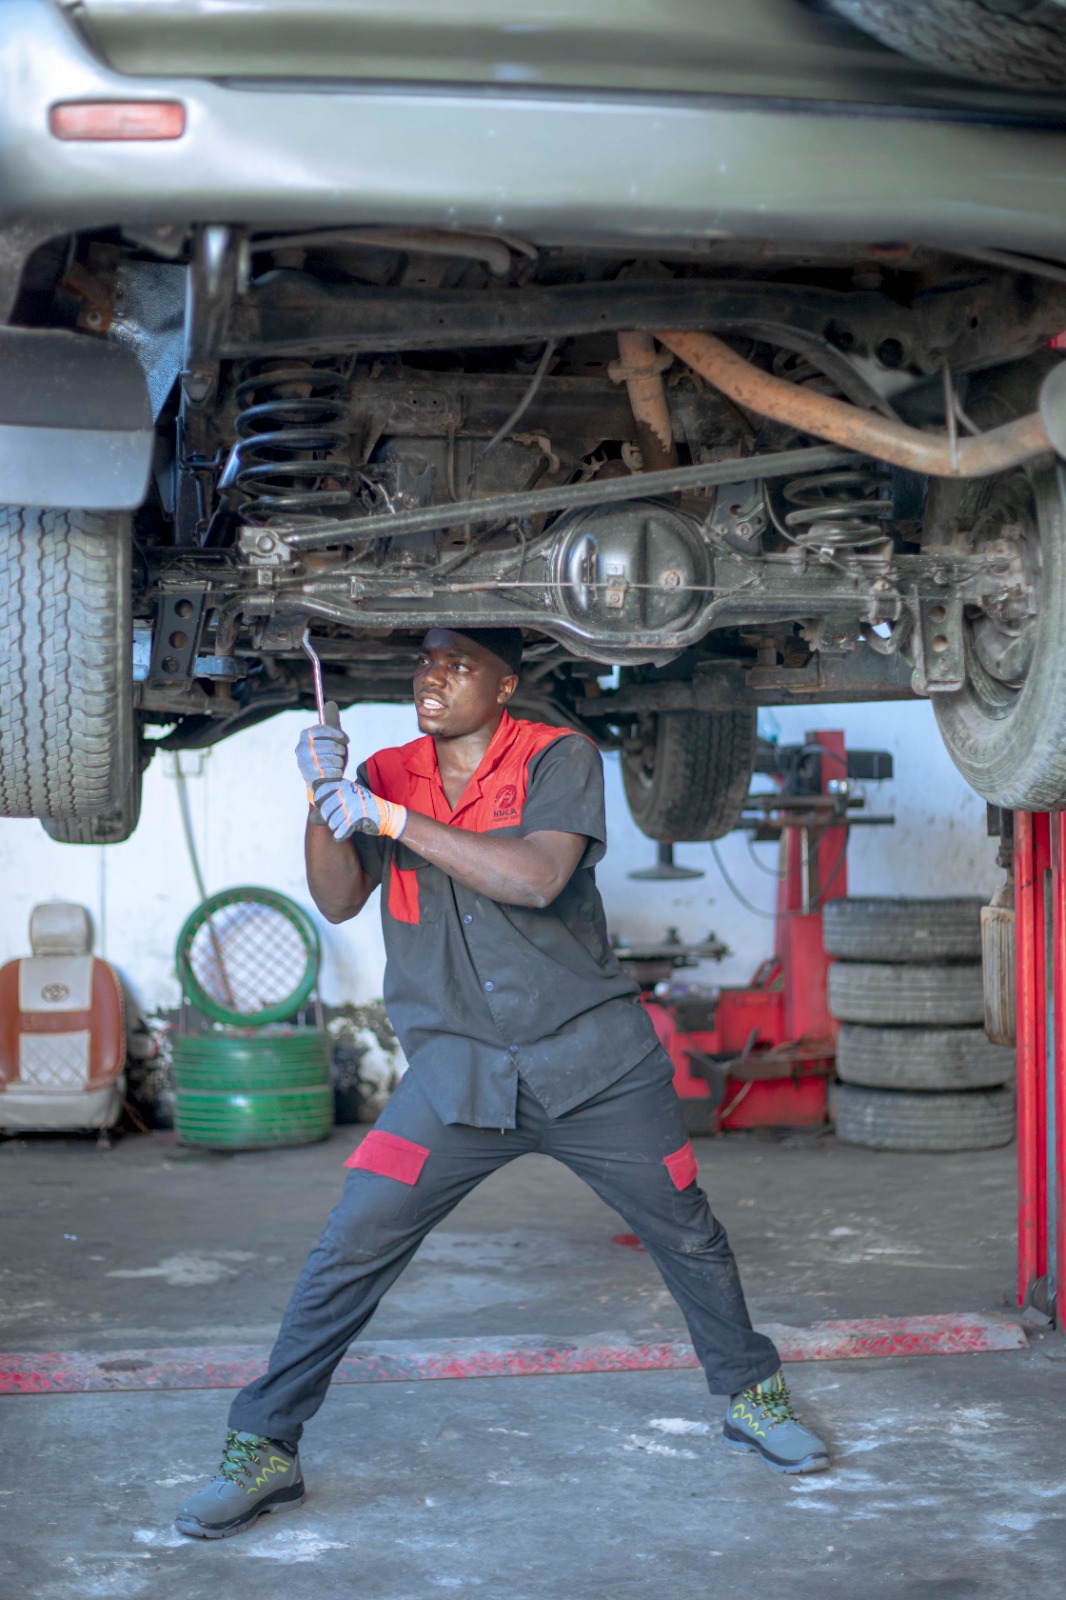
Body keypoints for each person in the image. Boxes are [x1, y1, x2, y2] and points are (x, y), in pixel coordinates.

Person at [175, 625, 829, 1539]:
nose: (433, 677)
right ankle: (265, 1447)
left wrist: (392, 821)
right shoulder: (386, 774)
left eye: (459, 665)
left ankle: (753, 1397)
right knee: (353, 1238)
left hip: (593, 1065)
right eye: (426, 661)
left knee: (687, 1229)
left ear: (506, 684)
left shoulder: (559, 757)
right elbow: (338, 898)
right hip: (457, 1078)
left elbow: (537, 878)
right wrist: (325, 797)